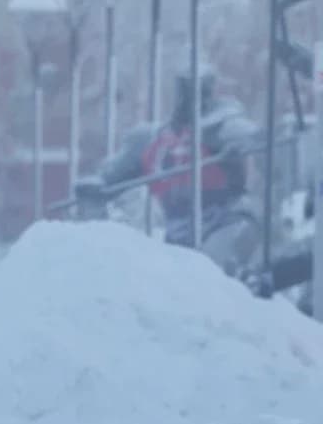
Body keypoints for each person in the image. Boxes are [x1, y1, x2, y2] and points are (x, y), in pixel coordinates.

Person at [82, 68, 262, 272]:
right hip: (177, 232)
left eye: (200, 90)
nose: (192, 98)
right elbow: (111, 177)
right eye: (186, 90)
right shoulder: (152, 138)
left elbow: (256, 140)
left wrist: (238, 149)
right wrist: (95, 188)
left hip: (224, 222)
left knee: (210, 268)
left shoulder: (226, 124)